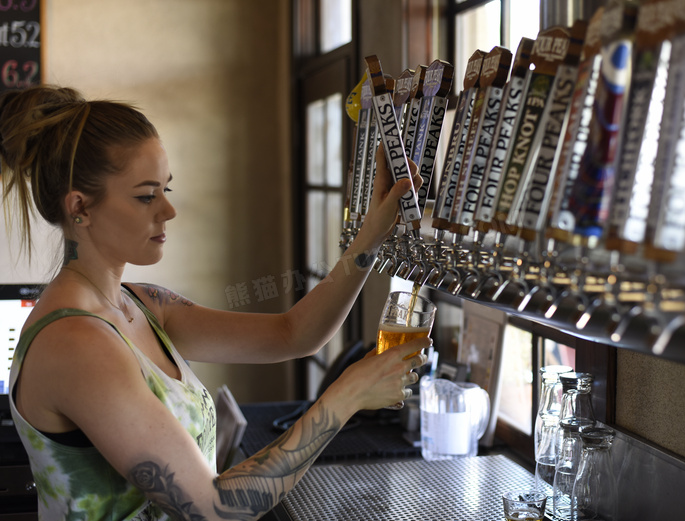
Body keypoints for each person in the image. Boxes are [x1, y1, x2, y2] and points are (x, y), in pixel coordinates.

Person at [2, 85, 428, 520]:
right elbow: (213, 509)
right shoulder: (75, 343)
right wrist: (347, 396)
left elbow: (293, 334)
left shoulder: (145, 305)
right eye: (146, 195)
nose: (168, 210)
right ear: (81, 208)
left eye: (166, 189)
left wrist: (371, 236)